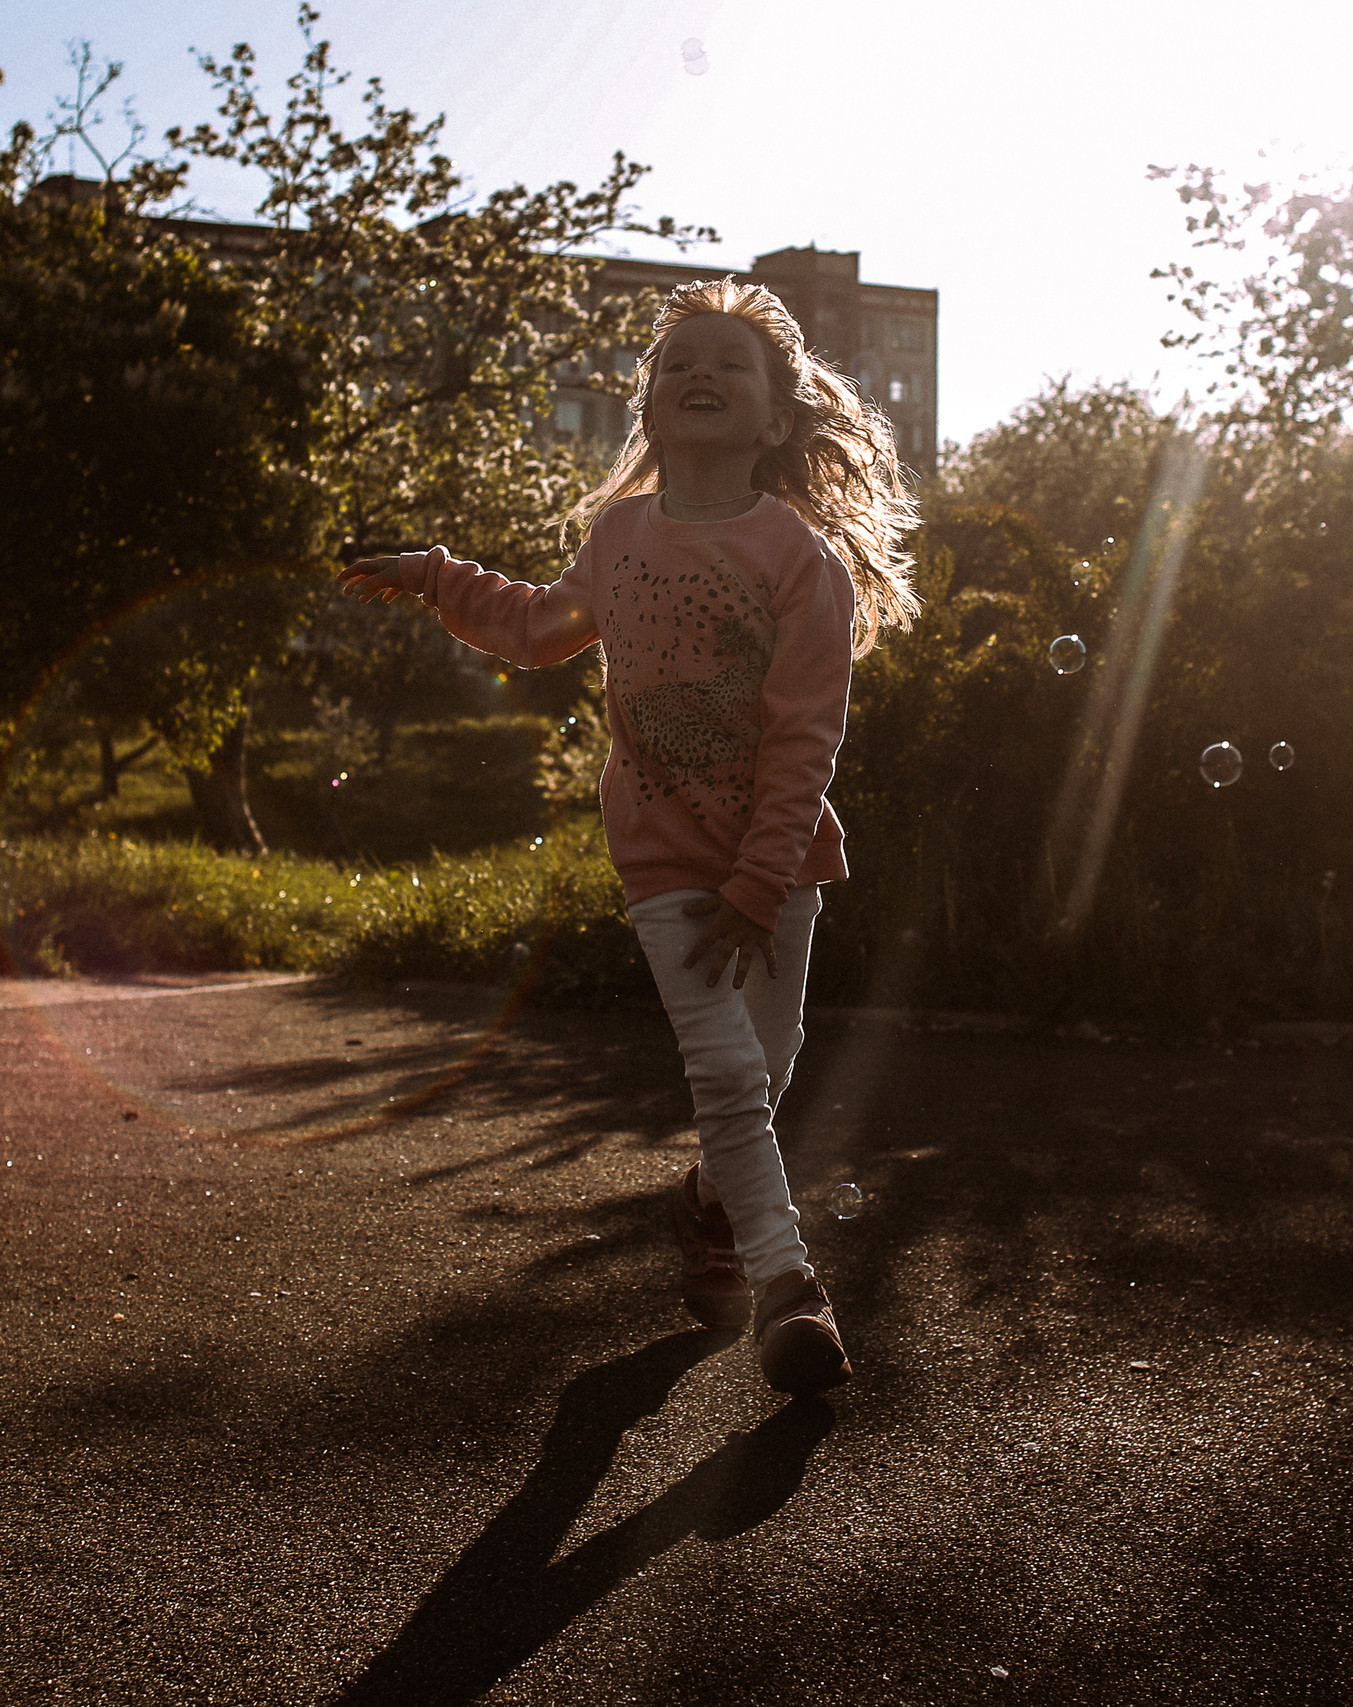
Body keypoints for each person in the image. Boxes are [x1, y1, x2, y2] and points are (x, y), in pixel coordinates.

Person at [334, 277, 918, 1396]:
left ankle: (707, 1201)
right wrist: (438, 577)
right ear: (647, 410)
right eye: (677, 363)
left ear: (775, 419)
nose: (699, 373)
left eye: (729, 363)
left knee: (770, 1063)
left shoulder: (799, 558)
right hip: (659, 854)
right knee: (727, 1074)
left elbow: (806, 737)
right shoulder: (618, 536)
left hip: (777, 858)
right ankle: (788, 1287)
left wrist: (758, 881)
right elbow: (537, 625)